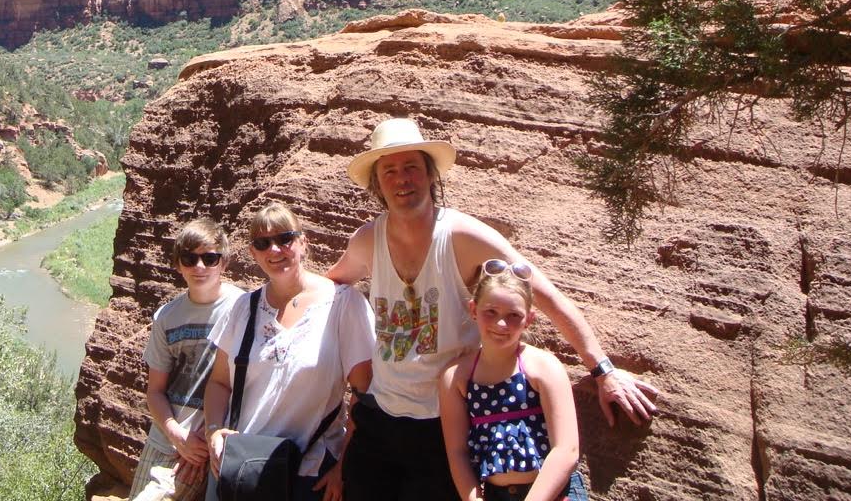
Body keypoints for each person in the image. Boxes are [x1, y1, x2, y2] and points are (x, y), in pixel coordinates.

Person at [327, 118, 659, 501]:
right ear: (378, 184)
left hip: (445, 423)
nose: (402, 179)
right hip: (380, 419)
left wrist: (602, 370)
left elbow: (543, 294)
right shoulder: (369, 239)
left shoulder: (461, 236)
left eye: (411, 167)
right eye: (390, 171)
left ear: (430, 175)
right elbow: (333, 283)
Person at [203, 202, 375, 501]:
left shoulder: (343, 304)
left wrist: (346, 466)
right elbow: (219, 382)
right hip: (244, 469)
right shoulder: (242, 309)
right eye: (263, 243)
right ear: (253, 253)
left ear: (303, 242)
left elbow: (366, 393)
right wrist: (214, 432)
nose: (275, 250)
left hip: (310, 474)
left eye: (285, 239)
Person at [439, 260, 587, 501]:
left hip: (555, 493)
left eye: (513, 316)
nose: (501, 324)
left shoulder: (543, 367)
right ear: (473, 309)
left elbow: (566, 450)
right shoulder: (456, 378)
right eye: (491, 312)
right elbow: (458, 453)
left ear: (529, 319)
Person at [129, 219, 245, 501]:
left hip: (215, 445)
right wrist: (177, 436)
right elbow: (155, 392)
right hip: (166, 440)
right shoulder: (167, 317)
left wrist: (207, 441)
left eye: (210, 258)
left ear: (224, 262)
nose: (200, 267)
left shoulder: (243, 309)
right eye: (189, 258)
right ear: (178, 264)